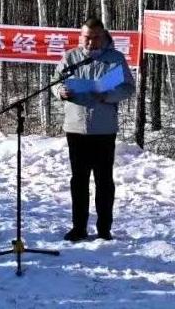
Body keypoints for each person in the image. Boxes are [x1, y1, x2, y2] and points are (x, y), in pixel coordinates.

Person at [53, 17, 135, 242]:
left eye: (96, 38)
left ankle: (104, 228)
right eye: (86, 38)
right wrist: (60, 92)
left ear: (104, 37)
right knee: (79, 180)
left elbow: (128, 87)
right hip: (76, 127)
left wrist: (108, 95)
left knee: (104, 181)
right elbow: (55, 81)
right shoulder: (71, 57)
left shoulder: (115, 59)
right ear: (81, 37)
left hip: (103, 129)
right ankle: (79, 227)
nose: (90, 43)